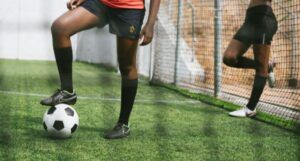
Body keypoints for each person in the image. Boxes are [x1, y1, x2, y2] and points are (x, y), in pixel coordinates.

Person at [40, 0, 161, 139]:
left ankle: (123, 124)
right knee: (60, 28)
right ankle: (67, 91)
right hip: (100, 3)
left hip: (129, 10)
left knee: (127, 66)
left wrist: (150, 23)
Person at [223, 0, 277, 117]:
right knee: (229, 57)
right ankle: (266, 65)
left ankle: (250, 109)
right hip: (250, 19)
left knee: (261, 70)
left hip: (264, 18)